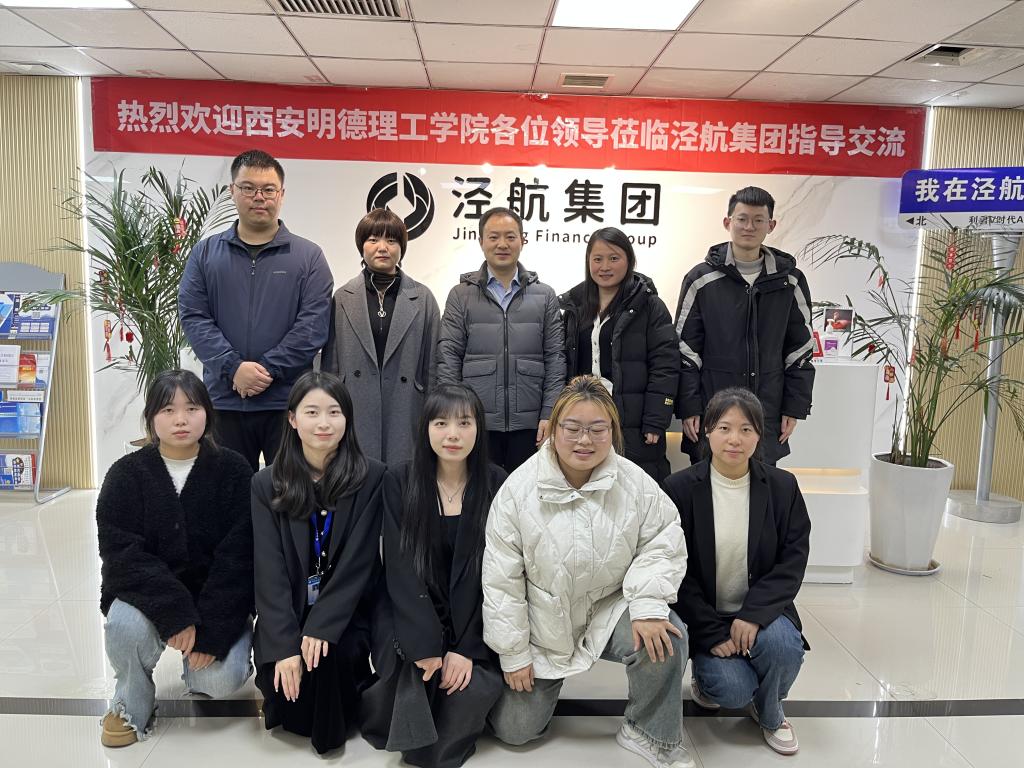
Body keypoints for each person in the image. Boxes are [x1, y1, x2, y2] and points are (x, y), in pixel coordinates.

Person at [482, 376, 693, 768]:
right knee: (515, 730)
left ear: (612, 431)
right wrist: (513, 654)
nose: (585, 440)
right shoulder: (517, 491)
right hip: (545, 625)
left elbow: (663, 539)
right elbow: (501, 582)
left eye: (598, 429)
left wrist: (648, 605)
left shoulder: (634, 482)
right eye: (573, 428)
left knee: (665, 637)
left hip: (608, 610)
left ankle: (648, 731)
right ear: (553, 429)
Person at [97, 369, 254, 747]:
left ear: (208, 414)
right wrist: (175, 613)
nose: (180, 419)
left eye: (192, 408)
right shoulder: (126, 475)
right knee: (124, 627)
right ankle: (130, 701)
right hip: (147, 596)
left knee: (219, 680)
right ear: (151, 417)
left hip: (214, 599)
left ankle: (198, 670)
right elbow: (122, 555)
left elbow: (239, 558)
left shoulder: (234, 470)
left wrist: (212, 630)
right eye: (168, 410)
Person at [361, 384, 506, 767]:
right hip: (410, 611)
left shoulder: (496, 482)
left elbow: (499, 575)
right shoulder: (399, 480)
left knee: (465, 694)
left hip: (474, 618)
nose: (452, 434)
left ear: (479, 428)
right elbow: (400, 568)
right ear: (425, 428)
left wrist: (467, 649)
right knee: (413, 684)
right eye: (441, 423)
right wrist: (426, 645)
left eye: (464, 423)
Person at [664, 387, 810, 756]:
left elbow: (792, 560)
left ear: (759, 435)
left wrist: (753, 615)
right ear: (707, 431)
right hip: (707, 614)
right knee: (732, 691)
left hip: (761, 610)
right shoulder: (679, 489)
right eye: (724, 428)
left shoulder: (782, 487)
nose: (735, 439)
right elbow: (675, 569)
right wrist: (712, 631)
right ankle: (709, 677)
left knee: (783, 647)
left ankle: (771, 712)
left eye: (746, 429)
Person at [251, 370, 391, 754]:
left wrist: (322, 627)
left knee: (329, 667)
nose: (324, 423)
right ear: (293, 420)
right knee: (293, 711)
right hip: (289, 613)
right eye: (311, 412)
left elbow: (358, 566)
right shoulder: (266, 484)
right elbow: (270, 572)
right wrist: (285, 647)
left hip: (347, 611)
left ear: (347, 419)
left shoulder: (372, 477)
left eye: (334, 412)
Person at [179, 148, 334, 472]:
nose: (259, 197)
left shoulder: (308, 257)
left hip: (289, 404)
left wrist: (266, 370)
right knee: (228, 493)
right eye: (248, 188)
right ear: (232, 191)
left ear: (282, 194)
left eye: (268, 189)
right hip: (225, 400)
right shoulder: (205, 254)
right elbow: (194, 317)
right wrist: (233, 368)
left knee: (292, 492)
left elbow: (312, 327)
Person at [673, 186, 815, 465]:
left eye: (758, 220)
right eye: (742, 219)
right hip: (712, 410)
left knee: (761, 484)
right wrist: (689, 406)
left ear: (771, 225)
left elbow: (800, 349)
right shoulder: (700, 279)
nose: (749, 227)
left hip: (766, 410)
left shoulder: (790, 281)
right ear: (728, 222)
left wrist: (794, 407)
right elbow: (685, 350)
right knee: (705, 483)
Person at [436, 206, 565, 474]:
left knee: (528, 491)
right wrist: (453, 416)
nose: (502, 244)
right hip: (475, 420)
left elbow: (555, 358)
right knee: (479, 491)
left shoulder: (544, 295)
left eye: (510, 236)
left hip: (531, 424)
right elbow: (448, 356)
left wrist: (549, 412)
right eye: (494, 237)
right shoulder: (461, 295)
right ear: (481, 241)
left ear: (522, 240)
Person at [559, 227, 680, 483]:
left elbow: (665, 366)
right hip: (586, 417)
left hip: (633, 420)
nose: (605, 266)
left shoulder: (650, 306)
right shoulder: (574, 306)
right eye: (597, 259)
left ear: (629, 260)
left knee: (634, 487)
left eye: (614, 258)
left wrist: (656, 419)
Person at [322, 208, 440, 465]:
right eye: (373, 239)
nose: (382, 248)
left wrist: (433, 414)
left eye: (392, 240)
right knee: (357, 477)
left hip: (407, 406)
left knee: (403, 479)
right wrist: (329, 411)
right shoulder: (342, 298)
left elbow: (432, 365)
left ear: (402, 248)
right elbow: (331, 365)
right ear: (361, 246)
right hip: (354, 404)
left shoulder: (423, 298)